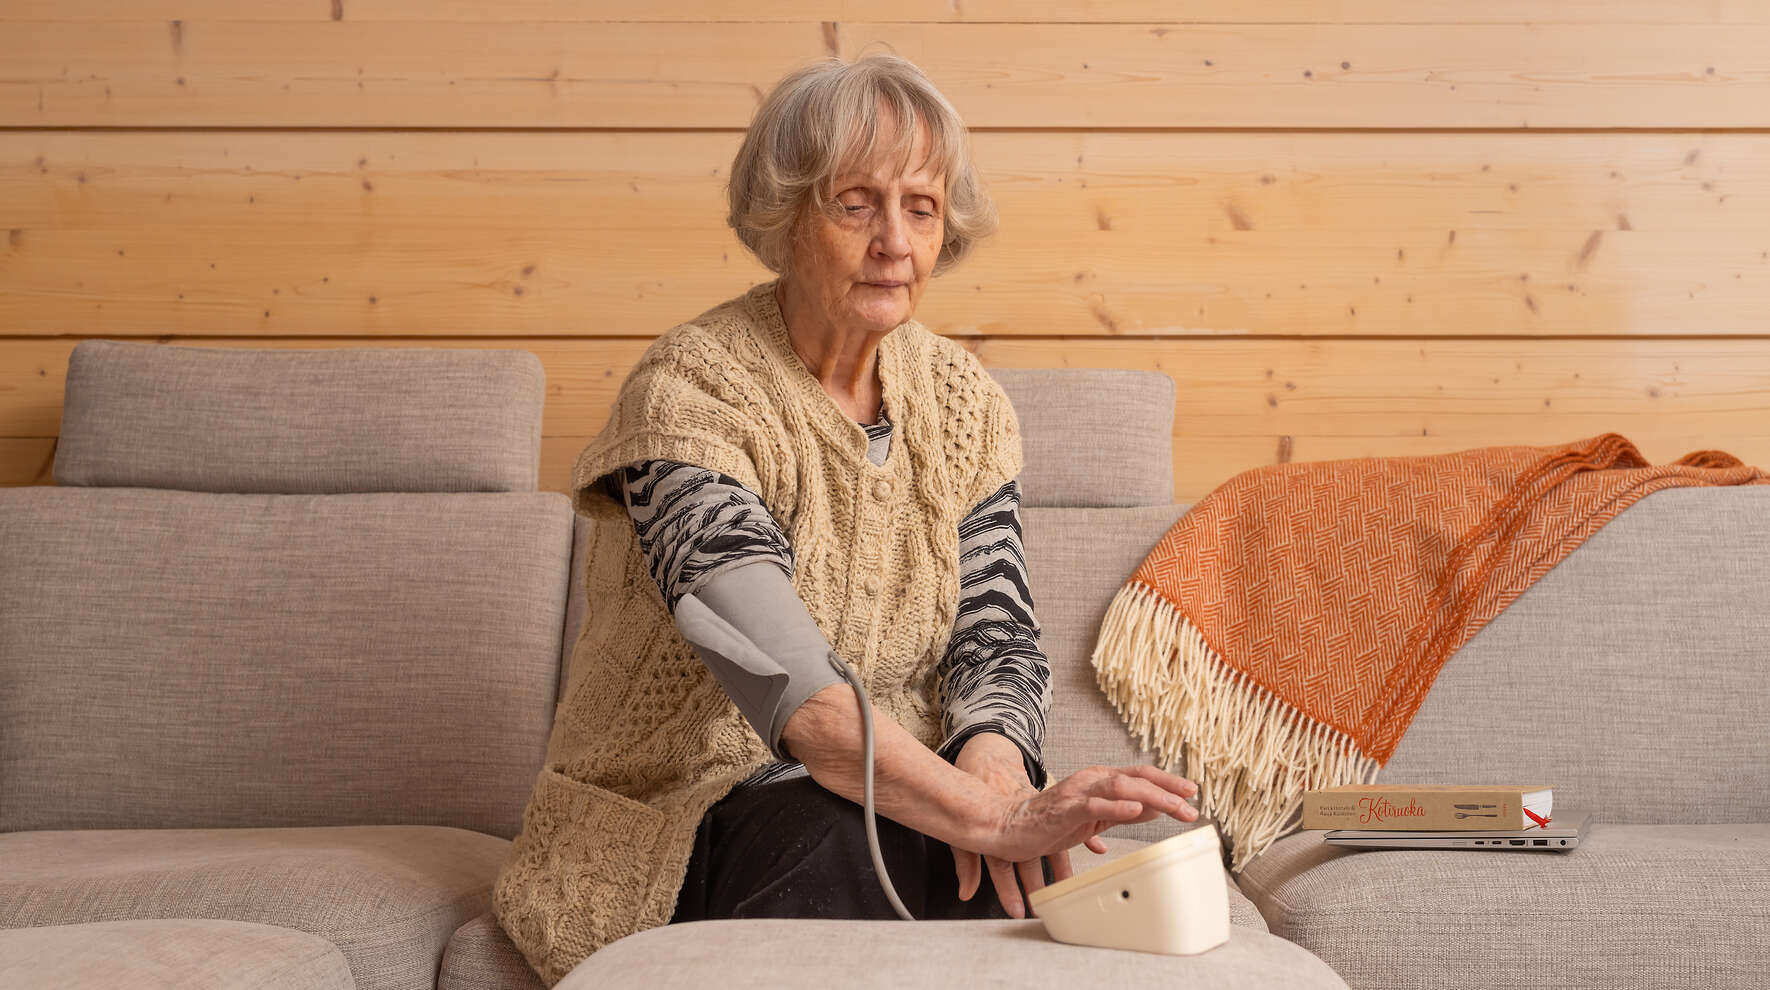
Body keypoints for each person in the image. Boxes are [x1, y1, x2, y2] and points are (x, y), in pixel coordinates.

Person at [492, 52, 1200, 988]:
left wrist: (994, 775)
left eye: (922, 207)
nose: (894, 242)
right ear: (785, 217)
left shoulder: (966, 403)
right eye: (856, 203)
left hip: (901, 802)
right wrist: (990, 818)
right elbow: (795, 693)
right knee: (854, 835)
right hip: (679, 814)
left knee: (1023, 876)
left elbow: (994, 638)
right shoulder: (691, 395)